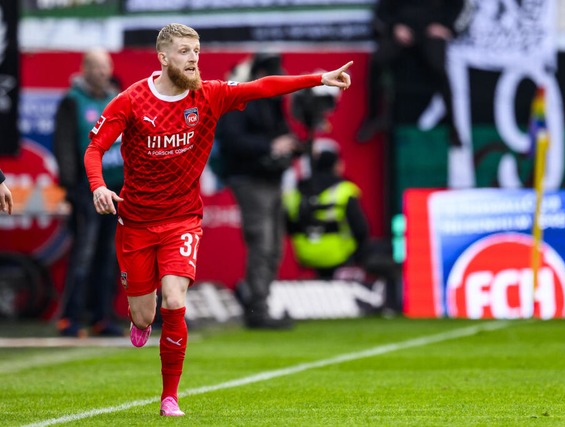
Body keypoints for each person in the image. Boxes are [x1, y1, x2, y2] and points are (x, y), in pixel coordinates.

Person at [84, 23, 352, 417]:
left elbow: (263, 86)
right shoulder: (131, 100)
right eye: (184, 51)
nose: (194, 57)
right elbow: (94, 149)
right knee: (145, 313)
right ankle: (139, 319)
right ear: (163, 57)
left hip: (182, 219)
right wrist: (98, 187)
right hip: (136, 222)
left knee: (175, 301)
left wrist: (320, 78)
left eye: (196, 50)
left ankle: (169, 397)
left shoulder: (209, 95)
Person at [216, 53, 301, 330]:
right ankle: (257, 310)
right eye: (275, 70)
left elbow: (283, 134)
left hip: (272, 179)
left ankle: (256, 298)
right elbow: (232, 140)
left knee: (274, 246)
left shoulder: (273, 102)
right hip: (249, 179)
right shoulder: (239, 98)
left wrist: (292, 144)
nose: (281, 74)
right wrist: (270, 146)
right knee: (262, 244)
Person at [53, 48, 124, 338]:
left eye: (106, 66)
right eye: (96, 67)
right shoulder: (72, 101)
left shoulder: (115, 99)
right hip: (87, 190)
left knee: (109, 254)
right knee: (84, 253)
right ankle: (70, 318)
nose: (103, 72)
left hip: (117, 189)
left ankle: (101, 317)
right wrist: (72, 188)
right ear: (84, 68)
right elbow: (64, 146)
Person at [357, 0, 469, 146]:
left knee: (440, 69)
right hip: (402, 29)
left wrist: (449, 28)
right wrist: (394, 27)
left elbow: (463, 7)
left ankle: (453, 126)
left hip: (431, 31)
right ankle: (373, 118)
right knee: (377, 61)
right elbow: (381, 12)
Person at [283, 139, 369, 280]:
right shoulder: (344, 189)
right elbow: (361, 229)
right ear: (336, 165)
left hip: (306, 255)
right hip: (340, 256)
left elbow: (289, 225)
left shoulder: (297, 190)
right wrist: (360, 256)